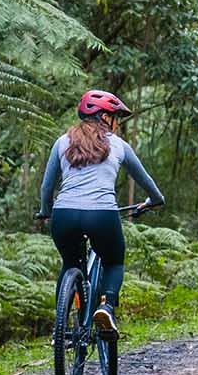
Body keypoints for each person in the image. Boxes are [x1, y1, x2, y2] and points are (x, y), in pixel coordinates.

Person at [38, 89, 164, 335]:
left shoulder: (62, 142)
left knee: (70, 263)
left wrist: (45, 211)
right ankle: (106, 306)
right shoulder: (118, 145)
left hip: (64, 214)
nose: (117, 122)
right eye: (115, 116)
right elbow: (146, 181)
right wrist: (154, 200)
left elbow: (46, 187)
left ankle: (60, 326)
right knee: (114, 261)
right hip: (102, 215)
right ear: (104, 117)